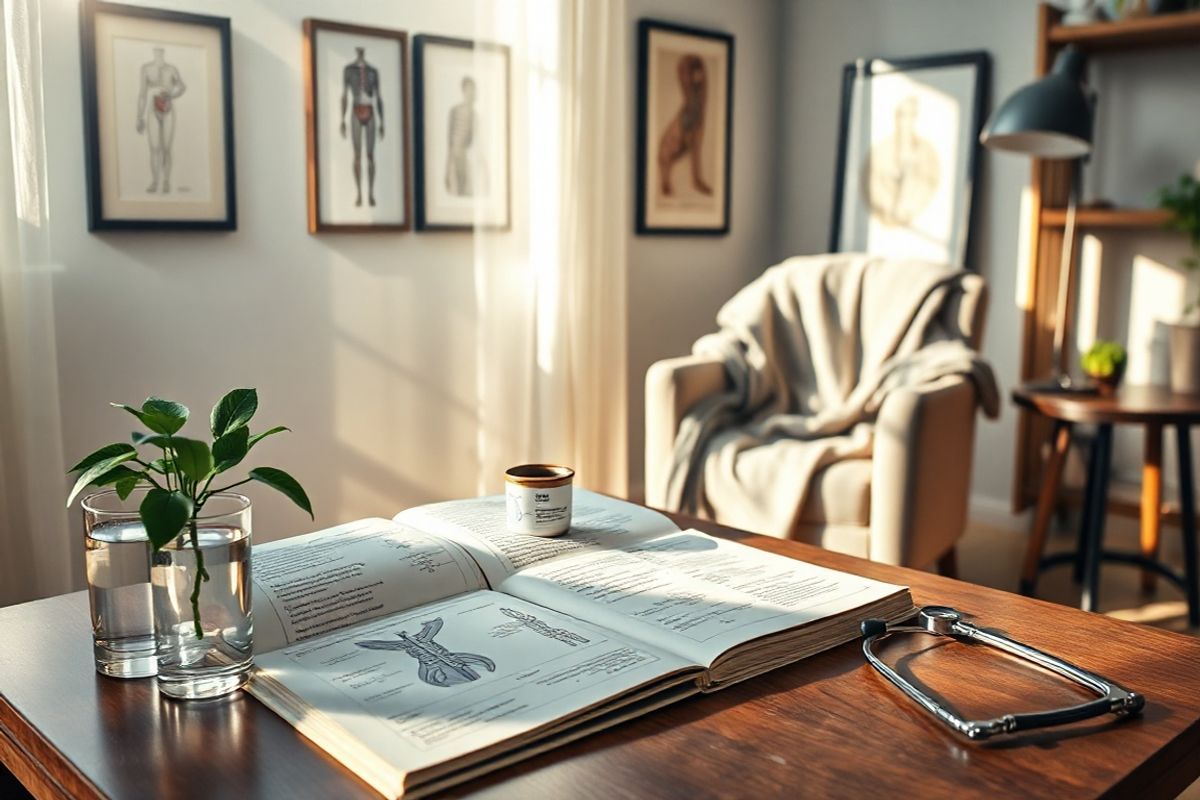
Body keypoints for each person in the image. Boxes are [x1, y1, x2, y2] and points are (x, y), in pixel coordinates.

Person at [657, 54, 711, 197]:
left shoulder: (697, 103)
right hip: (672, 146)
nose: (698, 77)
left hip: (685, 131)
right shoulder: (691, 107)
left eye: (699, 73)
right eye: (694, 74)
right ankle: (671, 181)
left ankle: (695, 179)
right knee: (669, 151)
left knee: (693, 137)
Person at [136, 47, 186, 194]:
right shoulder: (146, 68)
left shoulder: (171, 69)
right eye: (156, 52)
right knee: (154, 148)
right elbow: (142, 93)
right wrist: (139, 117)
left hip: (168, 107)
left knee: (167, 148)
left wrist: (172, 95)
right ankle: (155, 181)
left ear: (163, 53)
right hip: (152, 108)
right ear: (154, 53)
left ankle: (166, 181)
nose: (158, 54)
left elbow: (182, 86)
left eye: (161, 52)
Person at [340, 47, 385, 207]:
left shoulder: (373, 71)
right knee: (357, 155)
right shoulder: (349, 70)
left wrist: (382, 122)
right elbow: (344, 95)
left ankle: (371, 193)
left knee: (370, 156)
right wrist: (342, 119)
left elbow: (379, 96)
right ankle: (359, 193)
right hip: (355, 109)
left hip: (370, 110)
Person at [445, 76, 487, 196]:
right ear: (464, 91)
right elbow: (449, 141)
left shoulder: (476, 116)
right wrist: (447, 169)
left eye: (473, 89)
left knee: (466, 190)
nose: (471, 93)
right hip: (455, 156)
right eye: (469, 89)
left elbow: (478, 144)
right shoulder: (454, 111)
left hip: (467, 157)